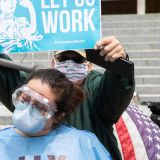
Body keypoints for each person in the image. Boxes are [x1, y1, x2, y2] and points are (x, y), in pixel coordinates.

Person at [0, 36, 135, 159]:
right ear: (53, 64)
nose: (70, 64)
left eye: (77, 59)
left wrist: (119, 64)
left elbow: (118, 86)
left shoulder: (96, 90)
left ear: (89, 66)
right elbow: (5, 75)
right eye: (64, 59)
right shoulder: (35, 86)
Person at [0, 68, 112, 160]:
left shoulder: (83, 143)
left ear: (58, 116)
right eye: (24, 99)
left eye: (40, 107)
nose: (28, 109)